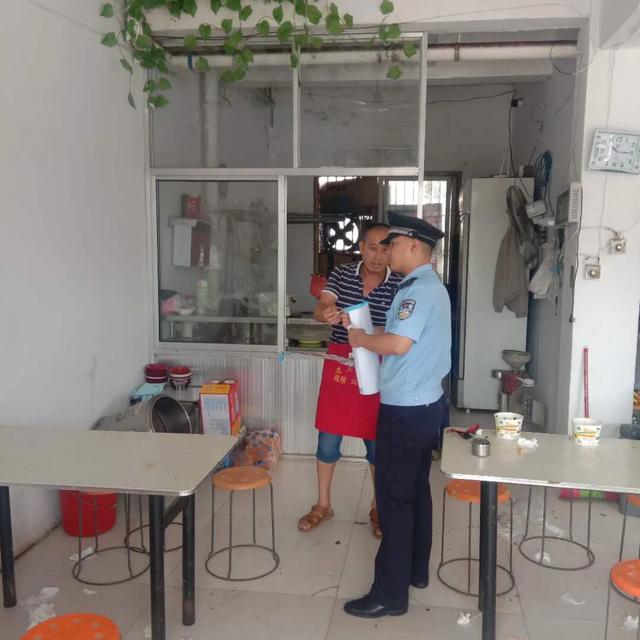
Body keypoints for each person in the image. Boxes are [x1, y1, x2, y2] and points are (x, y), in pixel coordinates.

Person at [342, 212, 451, 618]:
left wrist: (360, 339)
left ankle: (389, 595)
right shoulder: (428, 286)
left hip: (405, 411)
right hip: (425, 406)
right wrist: (364, 333)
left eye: (393, 244)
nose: (387, 251)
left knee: (393, 502)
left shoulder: (416, 291)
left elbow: (398, 344)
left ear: (414, 246)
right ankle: (415, 572)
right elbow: (401, 339)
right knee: (416, 491)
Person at [297, 224, 402, 538]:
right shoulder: (342, 274)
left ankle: (378, 507)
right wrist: (327, 312)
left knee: (377, 444)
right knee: (328, 440)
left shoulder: (399, 283)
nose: (378, 256)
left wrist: (369, 333)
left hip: (377, 365)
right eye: (373, 248)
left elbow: (400, 331)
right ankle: (323, 504)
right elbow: (321, 305)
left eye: (385, 249)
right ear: (361, 246)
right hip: (340, 364)